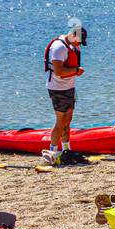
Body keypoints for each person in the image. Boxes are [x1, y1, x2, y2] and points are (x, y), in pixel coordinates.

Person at [43, 24, 86, 164]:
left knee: (68, 121)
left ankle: (66, 150)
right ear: (73, 36)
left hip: (69, 88)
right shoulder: (59, 47)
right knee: (60, 121)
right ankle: (53, 152)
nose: (79, 44)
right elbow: (59, 71)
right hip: (57, 88)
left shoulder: (72, 46)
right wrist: (76, 70)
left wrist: (75, 72)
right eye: (79, 41)